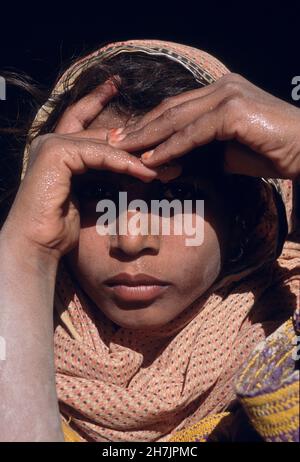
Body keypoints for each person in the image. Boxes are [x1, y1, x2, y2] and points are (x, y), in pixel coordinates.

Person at [0, 39, 299, 442]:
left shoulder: (285, 326)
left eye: (175, 197)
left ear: (242, 219)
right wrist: (28, 251)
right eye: (99, 195)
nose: (130, 239)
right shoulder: (14, 321)